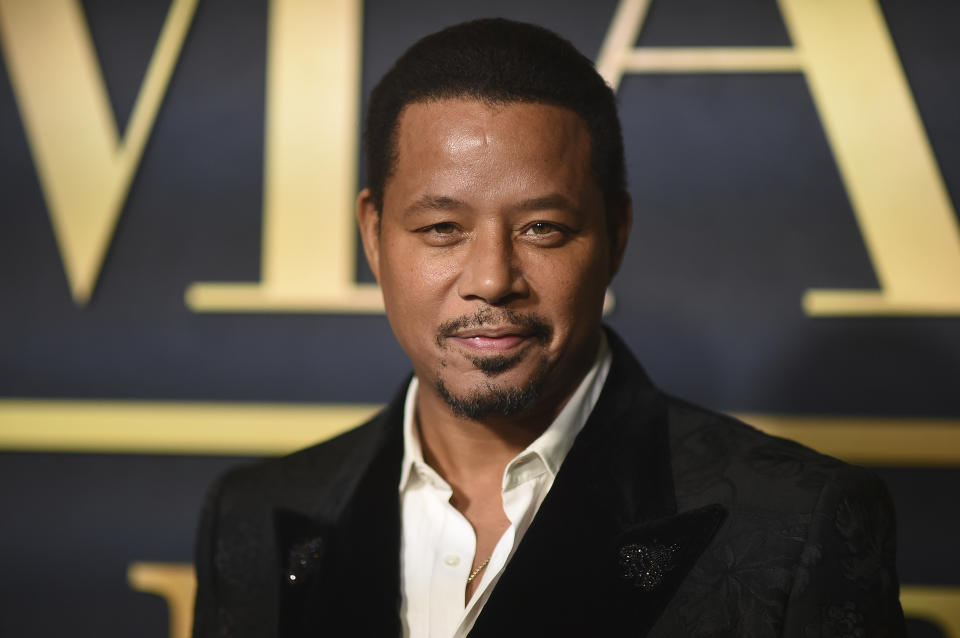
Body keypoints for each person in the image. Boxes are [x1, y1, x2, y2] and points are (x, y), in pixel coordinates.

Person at [192, 18, 905, 638]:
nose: (493, 277)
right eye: (442, 228)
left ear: (615, 234)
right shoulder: (253, 518)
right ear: (374, 234)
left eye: (544, 228)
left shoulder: (792, 527)